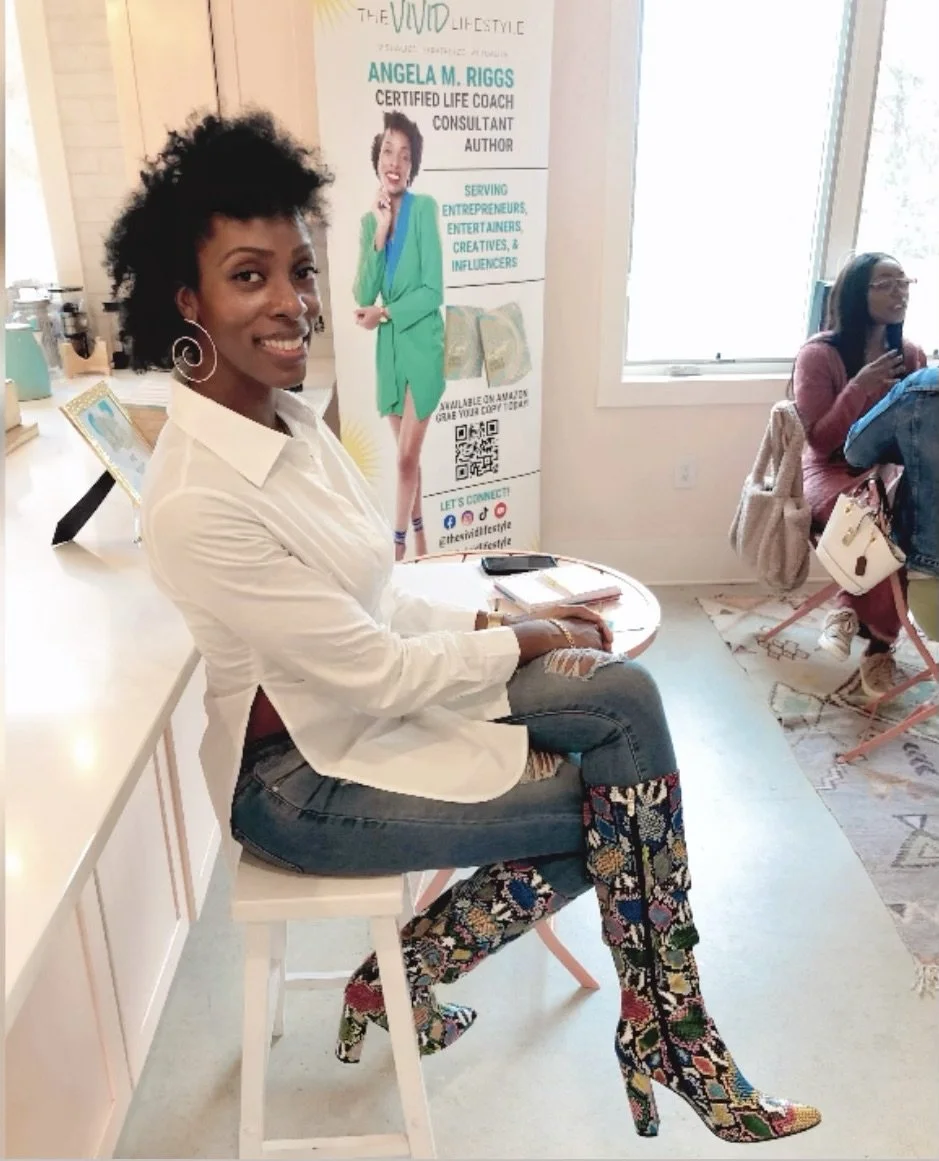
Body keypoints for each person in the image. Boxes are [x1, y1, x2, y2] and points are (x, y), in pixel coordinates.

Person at [105, 111, 819, 1145]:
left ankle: (644, 1026)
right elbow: (378, 675)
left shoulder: (288, 423)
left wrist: (504, 613)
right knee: (616, 818)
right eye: (250, 276)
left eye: (300, 271)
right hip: (303, 779)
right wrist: (526, 641)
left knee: (625, 699)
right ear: (188, 301)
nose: (293, 302)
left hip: (355, 714)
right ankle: (658, 1031)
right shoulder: (199, 498)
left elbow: (380, 592)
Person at [792, 252, 927, 696]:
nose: (899, 291)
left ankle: (849, 609)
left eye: (903, 281)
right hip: (831, 473)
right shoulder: (819, 355)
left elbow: (919, 432)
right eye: (885, 283)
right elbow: (820, 441)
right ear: (856, 293)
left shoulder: (909, 355)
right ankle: (882, 649)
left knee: (903, 521)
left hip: (885, 473)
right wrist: (858, 388)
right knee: (878, 517)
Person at [353, 111, 444, 561]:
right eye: (388, 151)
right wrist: (381, 230)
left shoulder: (425, 209)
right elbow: (360, 293)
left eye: (405, 155)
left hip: (423, 346)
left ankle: (399, 547)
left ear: (413, 166)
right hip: (389, 354)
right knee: (410, 457)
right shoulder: (371, 223)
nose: (395, 161)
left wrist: (384, 311)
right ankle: (424, 535)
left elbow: (433, 291)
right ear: (378, 159)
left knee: (406, 459)